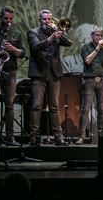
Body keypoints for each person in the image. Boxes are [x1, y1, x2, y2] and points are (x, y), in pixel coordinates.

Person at [27, 9, 72, 146]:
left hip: (54, 73)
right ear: (39, 20)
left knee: (54, 106)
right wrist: (50, 38)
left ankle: (58, 138)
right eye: (44, 19)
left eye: (49, 19)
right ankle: (33, 137)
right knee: (36, 106)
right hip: (39, 74)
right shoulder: (33, 32)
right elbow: (35, 47)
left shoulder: (55, 32)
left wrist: (60, 32)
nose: (47, 22)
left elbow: (68, 43)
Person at [0, 7, 26, 146]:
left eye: (11, 19)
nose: (8, 22)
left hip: (10, 73)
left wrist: (13, 49)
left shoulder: (16, 34)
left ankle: (10, 137)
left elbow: (22, 53)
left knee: (10, 105)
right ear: (1, 18)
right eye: (6, 19)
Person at [75, 26, 103, 145]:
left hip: (102, 81)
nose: (99, 37)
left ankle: (101, 136)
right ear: (92, 36)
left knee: (102, 109)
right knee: (85, 108)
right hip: (89, 81)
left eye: (101, 35)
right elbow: (87, 61)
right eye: (97, 35)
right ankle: (81, 136)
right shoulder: (85, 48)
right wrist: (97, 48)